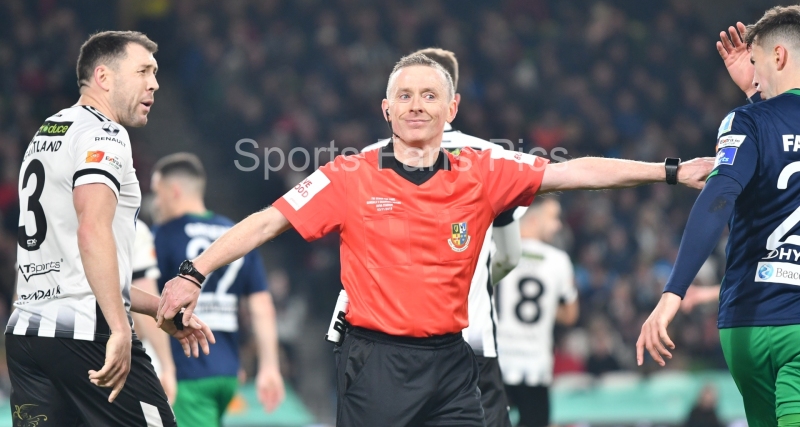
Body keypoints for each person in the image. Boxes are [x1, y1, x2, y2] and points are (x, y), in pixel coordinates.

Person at [158, 53, 712, 427]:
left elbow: (576, 173)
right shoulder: (348, 175)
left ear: (452, 110)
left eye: (430, 95)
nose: (416, 104)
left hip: (451, 361)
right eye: (405, 95)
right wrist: (192, 272)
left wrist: (669, 171)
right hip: (374, 362)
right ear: (387, 108)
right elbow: (266, 222)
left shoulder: (483, 171)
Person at [7, 31, 214, 426]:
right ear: (103, 77)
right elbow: (91, 229)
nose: (154, 83)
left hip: (28, 337)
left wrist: (158, 308)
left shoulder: (48, 131)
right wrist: (119, 328)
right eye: (143, 71)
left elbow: (77, 265)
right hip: (88, 333)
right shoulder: (105, 133)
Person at [637, 5, 800, 427]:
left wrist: (672, 294)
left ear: (778, 57)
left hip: (744, 325)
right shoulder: (755, 114)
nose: (754, 75)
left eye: (756, 62)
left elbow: (718, 197)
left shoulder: (746, 121)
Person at [349, 47, 524, 427]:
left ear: (449, 100)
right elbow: (510, 255)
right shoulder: (495, 159)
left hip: (387, 344)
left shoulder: (369, 158)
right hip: (473, 334)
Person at [150, 152, 285, 426]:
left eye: (157, 192)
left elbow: (149, 299)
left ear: (173, 191)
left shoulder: (164, 235)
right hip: (228, 371)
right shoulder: (235, 235)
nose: (156, 202)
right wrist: (269, 366)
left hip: (186, 369)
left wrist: (165, 366)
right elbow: (261, 306)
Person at [496, 197, 578, 427]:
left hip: (496, 362)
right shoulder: (558, 261)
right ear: (532, 219)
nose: (558, 225)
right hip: (534, 365)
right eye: (553, 218)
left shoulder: (493, 250)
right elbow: (570, 315)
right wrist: (547, 305)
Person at [130, 219, 178, 403]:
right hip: (113, 349)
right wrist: (167, 367)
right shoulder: (131, 223)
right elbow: (145, 298)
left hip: (44, 341)